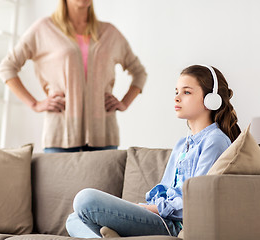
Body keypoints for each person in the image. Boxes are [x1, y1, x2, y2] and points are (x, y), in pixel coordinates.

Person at [65, 64, 241, 237]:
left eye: (186, 92)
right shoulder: (182, 144)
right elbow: (165, 188)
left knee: (85, 200)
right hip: (158, 214)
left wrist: (150, 209)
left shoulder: (215, 141)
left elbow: (196, 201)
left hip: (173, 224)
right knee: (73, 219)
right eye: (176, 92)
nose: (177, 98)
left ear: (211, 99)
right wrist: (143, 208)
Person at [0, 0, 147, 153]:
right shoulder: (44, 28)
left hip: (104, 134)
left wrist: (125, 103)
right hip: (60, 135)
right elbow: (7, 67)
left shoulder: (110, 32)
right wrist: (35, 104)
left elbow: (139, 72)